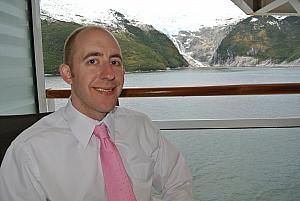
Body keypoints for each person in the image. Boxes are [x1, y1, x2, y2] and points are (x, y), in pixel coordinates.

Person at [0, 25, 193, 201]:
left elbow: (178, 181)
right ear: (67, 74)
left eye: (115, 62)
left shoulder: (140, 126)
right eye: (93, 61)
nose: (109, 74)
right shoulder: (28, 152)